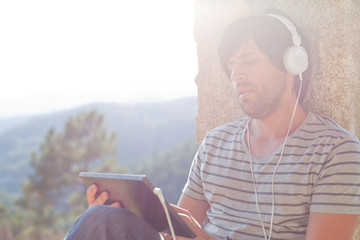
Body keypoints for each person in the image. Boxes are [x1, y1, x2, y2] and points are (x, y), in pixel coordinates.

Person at [65, 12, 360, 240]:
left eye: (249, 60)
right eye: (231, 65)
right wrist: (124, 217)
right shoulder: (217, 142)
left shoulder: (336, 151)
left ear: (292, 63)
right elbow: (176, 231)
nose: (236, 75)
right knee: (102, 218)